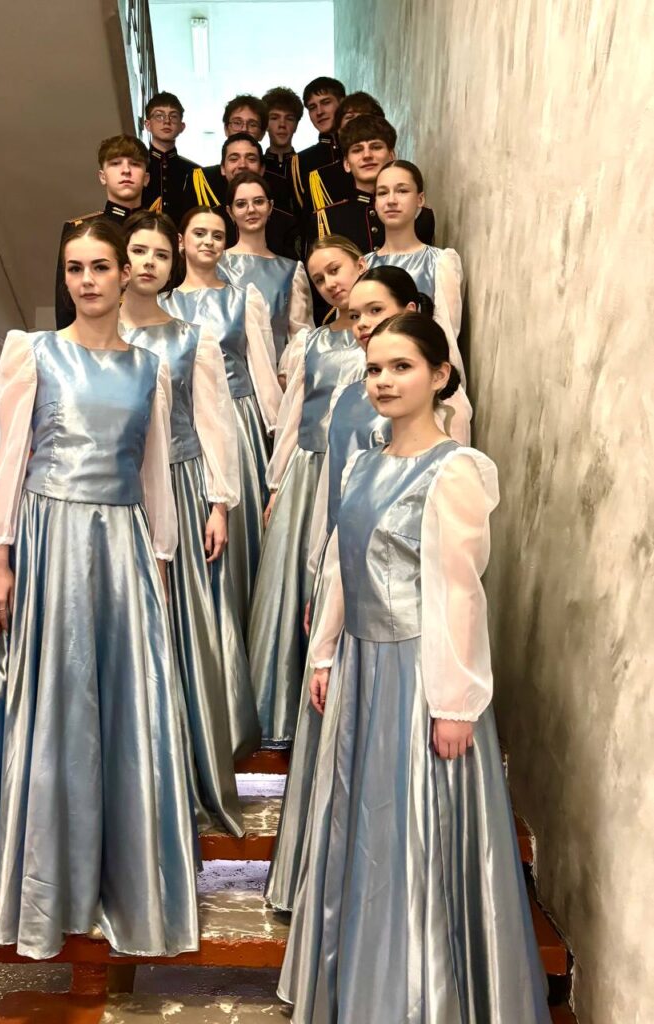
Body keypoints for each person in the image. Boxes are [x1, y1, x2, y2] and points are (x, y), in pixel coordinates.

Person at [279, 313, 551, 1023]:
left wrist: (455, 703)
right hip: (361, 666)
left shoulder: (454, 470)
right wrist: (325, 651)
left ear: (439, 375)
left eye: (401, 367)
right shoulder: (362, 460)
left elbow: (458, 591)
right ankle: (361, 981)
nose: (383, 381)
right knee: (361, 829)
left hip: (417, 676)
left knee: (410, 832)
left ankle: (417, 995)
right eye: (374, 368)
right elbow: (340, 566)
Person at [0, 217, 198, 962]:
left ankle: (125, 888)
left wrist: (160, 560)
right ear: (64, 276)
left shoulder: (150, 368)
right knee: (56, 707)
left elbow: (155, 474)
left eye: (101, 266)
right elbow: (7, 459)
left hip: (124, 547)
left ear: (126, 274)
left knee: (127, 713)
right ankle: (50, 891)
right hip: (50, 543)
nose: (88, 280)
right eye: (75, 268)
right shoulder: (32, 352)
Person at [266, 266, 431, 912]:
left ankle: (386, 897)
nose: (361, 325)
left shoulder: (440, 407)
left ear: (410, 310)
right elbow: (333, 506)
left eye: (376, 311)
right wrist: (320, 574)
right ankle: (323, 885)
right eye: (356, 315)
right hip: (343, 582)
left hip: (399, 608)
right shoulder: (346, 394)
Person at [120, 210, 260, 829]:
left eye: (159, 254)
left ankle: (185, 763)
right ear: (122, 261)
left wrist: (218, 502)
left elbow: (214, 421)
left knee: (181, 626)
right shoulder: (91, 337)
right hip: (113, 494)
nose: (149, 263)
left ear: (172, 260)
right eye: (139, 252)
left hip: (179, 485)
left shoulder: (190, 338)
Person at [247, 236, 367, 745]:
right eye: (319, 279)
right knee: (297, 583)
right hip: (310, 470)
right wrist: (277, 483)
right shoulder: (310, 343)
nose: (330, 283)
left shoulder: (386, 342)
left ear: (361, 264)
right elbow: (293, 416)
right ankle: (288, 711)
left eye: (336, 269)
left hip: (361, 472)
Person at [160, 207, 282, 638]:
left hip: (239, 418)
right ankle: (204, 631)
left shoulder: (244, 298)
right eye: (199, 233)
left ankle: (241, 634)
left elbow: (263, 369)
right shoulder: (163, 303)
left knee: (238, 524)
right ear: (181, 242)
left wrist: (275, 433)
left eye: (216, 234)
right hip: (184, 422)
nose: (209, 241)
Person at [365, 159, 472, 441]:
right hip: (374, 388)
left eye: (402, 191)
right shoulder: (363, 265)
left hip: (424, 391)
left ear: (420, 199)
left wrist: (447, 394)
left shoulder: (440, 262)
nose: (391, 200)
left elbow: (446, 335)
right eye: (382, 192)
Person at [218, 170, 313, 371]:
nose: (251, 209)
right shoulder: (216, 265)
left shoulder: (291, 270)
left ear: (270, 207)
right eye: (241, 204)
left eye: (258, 202)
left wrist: (285, 375)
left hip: (275, 379)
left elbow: (301, 337)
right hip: (226, 379)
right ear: (230, 212)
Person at [54, 134, 149, 329]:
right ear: (102, 176)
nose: (126, 170)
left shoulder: (160, 230)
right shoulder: (80, 229)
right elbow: (66, 304)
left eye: (135, 164)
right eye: (115, 163)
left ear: (146, 178)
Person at [308, 115, 435, 252]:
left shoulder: (421, 216)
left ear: (391, 156)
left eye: (376, 147)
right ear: (346, 164)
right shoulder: (325, 220)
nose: (367, 155)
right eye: (357, 150)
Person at [184, 134, 300, 259]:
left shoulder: (286, 224)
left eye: (251, 159)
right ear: (223, 168)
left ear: (262, 169)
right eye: (234, 159)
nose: (242, 165)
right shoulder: (207, 221)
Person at [183, 95, 268, 211]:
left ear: (262, 133)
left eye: (252, 124)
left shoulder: (276, 182)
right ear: (226, 129)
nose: (244, 129)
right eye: (237, 123)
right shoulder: (201, 180)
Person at [309, 91, 387, 210]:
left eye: (364, 118)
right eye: (350, 118)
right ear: (339, 129)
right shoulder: (321, 180)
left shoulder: (401, 173)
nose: (357, 124)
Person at [142, 91, 201, 225]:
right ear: (148, 124)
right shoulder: (137, 167)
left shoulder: (195, 172)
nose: (167, 121)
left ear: (182, 126)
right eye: (159, 116)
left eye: (173, 116)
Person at [291, 77, 346, 212]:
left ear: (343, 103)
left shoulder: (362, 149)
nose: (319, 112)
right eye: (312, 107)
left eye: (326, 102)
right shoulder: (301, 162)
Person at [262, 86, 304, 216]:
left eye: (289, 118)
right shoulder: (256, 167)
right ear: (265, 124)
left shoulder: (307, 165)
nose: (282, 125)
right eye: (274, 118)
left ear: (296, 125)